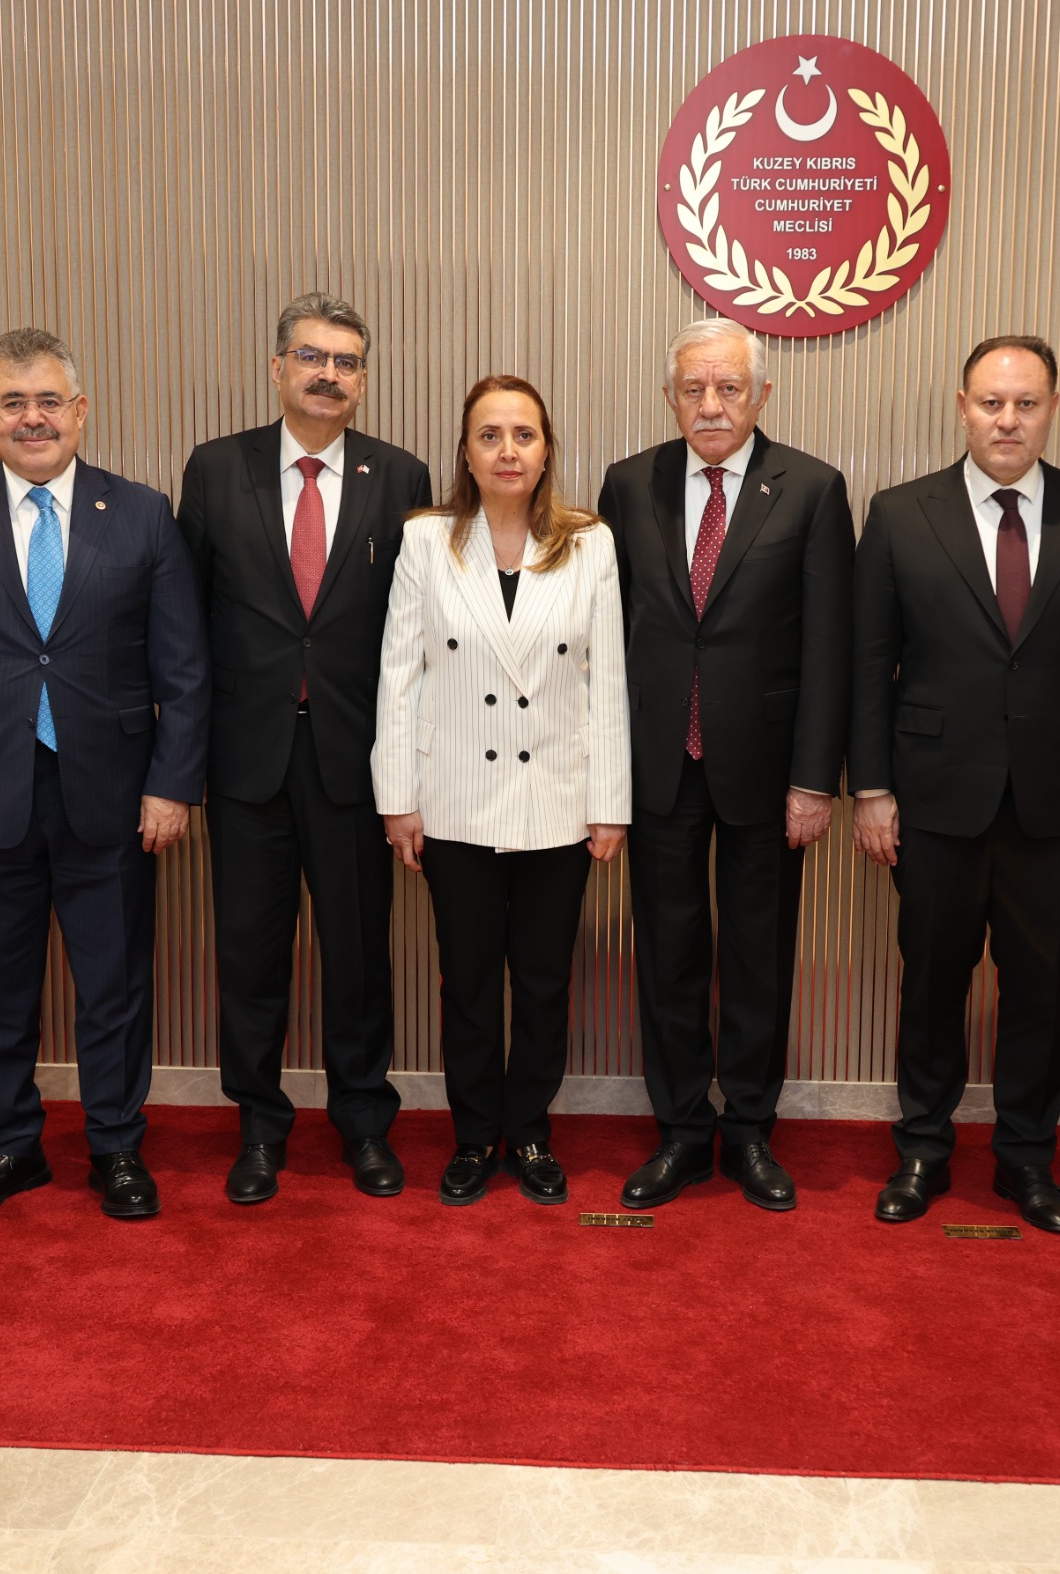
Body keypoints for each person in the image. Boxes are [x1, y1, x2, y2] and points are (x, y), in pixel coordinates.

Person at [0, 327, 209, 1222]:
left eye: (49, 401)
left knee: (114, 987)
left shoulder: (141, 513)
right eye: (15, 403)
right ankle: (10, 1147)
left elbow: (184, 668)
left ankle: (115, 1145)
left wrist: (171, 784)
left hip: (113, 796)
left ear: (81, 411)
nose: (34, 419)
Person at [849, 336, 1060, 1228]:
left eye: (1026, 403)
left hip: (1057, 801)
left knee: (1037, 989)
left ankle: (1026, 1160)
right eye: (991, 403)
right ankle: (923, 1150)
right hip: (931, 797)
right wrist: (871, 788)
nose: (1008, 420)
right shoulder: (901, 513)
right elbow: (868, 664)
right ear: (962, 407)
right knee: (931, 985)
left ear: (1053, 408)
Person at [177, 295, 431, 1204]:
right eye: (313, 357)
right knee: (250, 955)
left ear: (363, 379)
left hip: (355, 760)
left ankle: (364, 1122)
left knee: (358, 956)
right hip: (246, 758)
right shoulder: (217, 468)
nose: (329, 374)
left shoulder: (400, 476)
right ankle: (259, 1127)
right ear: (278, 366)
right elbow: (185, 622)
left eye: (347, 361)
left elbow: (415, 633)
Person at [596, 318, 851, 1214]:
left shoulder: (812, 489)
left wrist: (814, 780)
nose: (711, 405)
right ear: (671, 397)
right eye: (694, 389)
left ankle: (748, 1130)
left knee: (758, 957)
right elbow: (606, 637)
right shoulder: (629, 484)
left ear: (761, 395)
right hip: (659, 766)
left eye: (729, 388)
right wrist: (605, 776)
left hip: (768, 772)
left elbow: (830, 648)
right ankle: (680, 1132)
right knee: (667, 956)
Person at [374, 375, 629, 1206]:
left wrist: (610, 804)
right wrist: (397, 797)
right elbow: (398, 676)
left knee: (545, 984)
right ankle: (475, 1135)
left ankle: (530, 1133)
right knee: (470, 984)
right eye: (490, 435)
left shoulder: (590, 543)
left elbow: (606, 682)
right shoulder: (427, 541)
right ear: (466, 452)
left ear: (547, 451)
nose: (508, 451)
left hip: (558, 800)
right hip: (454, 798)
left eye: (524, 435)